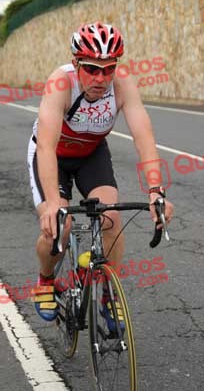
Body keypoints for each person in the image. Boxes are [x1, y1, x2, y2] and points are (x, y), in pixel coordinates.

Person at [27, 22, 174, 325]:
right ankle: (44, 280)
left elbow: (143, 137)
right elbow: (45, 148)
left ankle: (109, 295)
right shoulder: (61, 82)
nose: (101, 78)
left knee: (111, 219)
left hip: (91, 153)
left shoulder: (122, 85)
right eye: (93, 69)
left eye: (108, 69)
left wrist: (156, 191)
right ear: (76, 63)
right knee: (60, 226)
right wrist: (54, 202)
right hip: (52, 155)